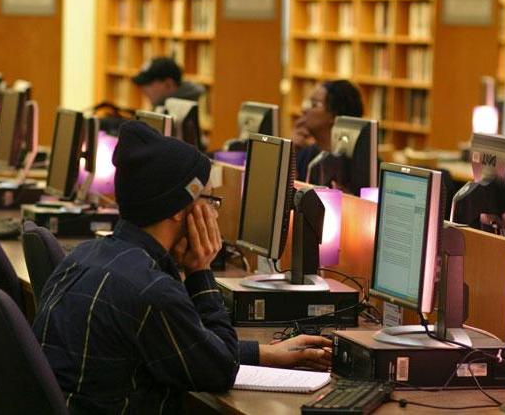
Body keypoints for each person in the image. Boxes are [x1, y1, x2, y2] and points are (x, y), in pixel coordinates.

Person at [33, 121, 332, 415]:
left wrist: (265, 354)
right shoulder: (151, 290)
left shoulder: (83, 256)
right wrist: (201, 272)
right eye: (209, 201)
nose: (213, 213)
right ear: (179, 209)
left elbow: (181, 346)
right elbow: (219, 371)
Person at [295, 79, 363, 182]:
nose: (304, 110)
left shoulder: (359, 164)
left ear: (334, 115)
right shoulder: (306, 153)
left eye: (314, 104)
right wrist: (290, 154)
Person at [132, 56, 204, 108]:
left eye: (148, 83)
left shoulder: (197, 108)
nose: (143, 89)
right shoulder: (162, 106)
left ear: (168, 84)